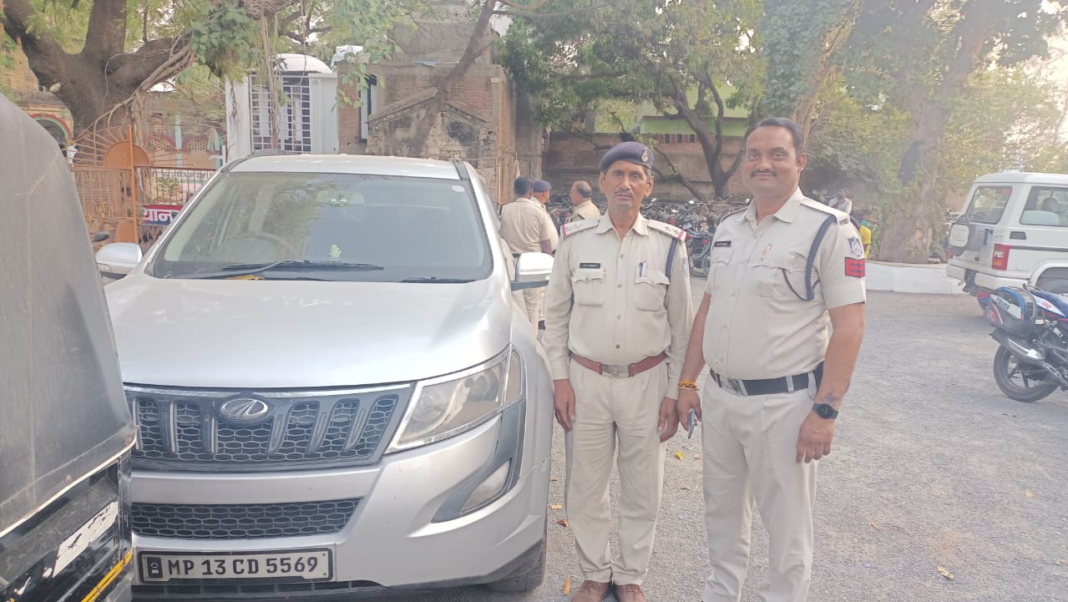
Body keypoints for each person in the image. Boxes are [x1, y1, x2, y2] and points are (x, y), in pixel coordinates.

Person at [674, 117, 867, 602]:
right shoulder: (729, 229)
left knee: (786, 530)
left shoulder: (828, 230)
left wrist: (825, 412)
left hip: (784, 406)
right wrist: (688, 382)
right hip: (721, 399)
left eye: (777, 154)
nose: (763, 163)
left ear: (799, 162)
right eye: (754, 154)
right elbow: (709, 309)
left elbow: (850, 327)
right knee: (721, 515)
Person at [543, 141, 695, 602]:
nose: (626, 183)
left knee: (642, 488)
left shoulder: (668, 246)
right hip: (585, 382)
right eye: (617, 175)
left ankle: (630, 577)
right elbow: (556, 317)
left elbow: (682, 328)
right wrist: (560, 379)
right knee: (584, 487)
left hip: (647, 384)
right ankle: (595, 574)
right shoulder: (575, 241)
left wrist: (674, 391)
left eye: (635, 176)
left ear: (648, 186)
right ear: (603, 182)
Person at [500, 176, 556, 327]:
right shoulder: (538, 212)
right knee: (532, 307)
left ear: (514, 190)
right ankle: (531, 338)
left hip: (510, 262)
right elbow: (546, 243)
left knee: (512, 305)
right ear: (531, 192)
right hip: (533, 264)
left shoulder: (504, 210)